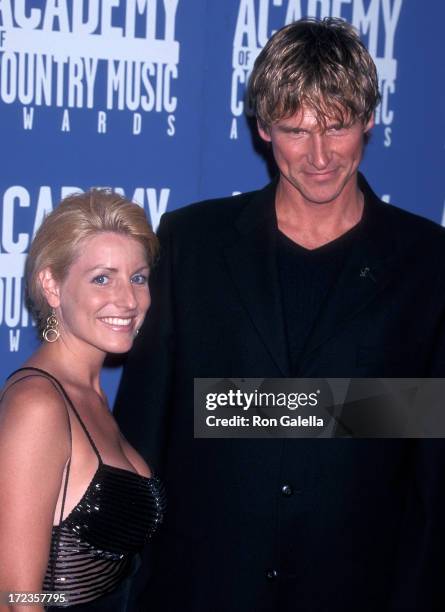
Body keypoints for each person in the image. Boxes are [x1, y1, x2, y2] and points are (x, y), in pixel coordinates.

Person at [115, 17, 445, 612]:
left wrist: (226, 404)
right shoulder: (192, 242)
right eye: (296, 129)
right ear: (263, 127)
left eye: (337, 126)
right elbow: (145, 428)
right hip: (200, 590)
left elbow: (431, 458)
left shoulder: (429, 262)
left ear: (369, 119)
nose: (319, 156)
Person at [0, 190, 165, 611]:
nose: (128, 300)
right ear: (52, 285)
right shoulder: (38, 404)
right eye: (102, 278)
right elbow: (16, 597)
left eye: (138, 277)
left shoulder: (90, 395)